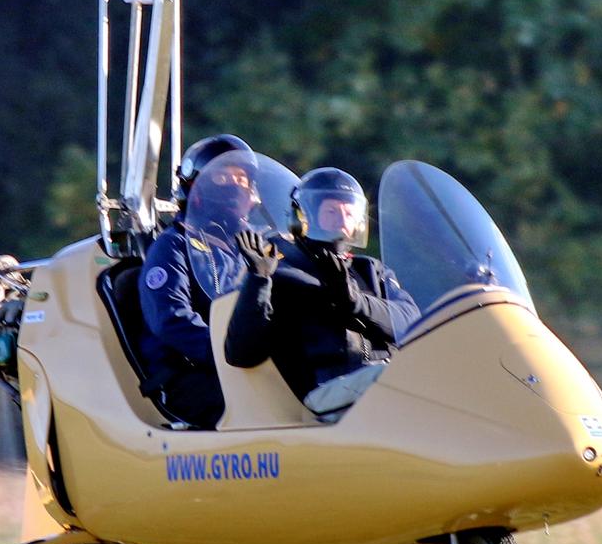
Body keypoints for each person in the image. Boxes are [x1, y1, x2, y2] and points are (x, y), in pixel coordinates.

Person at [225, 167, 419, 417]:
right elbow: (242, 353)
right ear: (302, 218)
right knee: (396, 379)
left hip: (381, 384)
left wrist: (354, 301)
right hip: (324, 391)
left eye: (348, 212)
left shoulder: (371, 270)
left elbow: (412, 323)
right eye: (331, 211)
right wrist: (258, 280)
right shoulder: (282, 273)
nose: (341, 220)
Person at [137, 135, 258, 426]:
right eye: (223, 177)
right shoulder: (174, 246)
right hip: (193, 376)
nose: (234, 185)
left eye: (241, 179)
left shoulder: (253, 248)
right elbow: (171, 319)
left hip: (247, 367)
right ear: (196, 187)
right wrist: (228, 354)